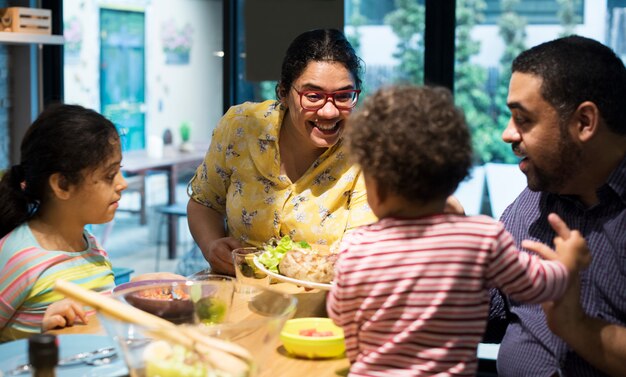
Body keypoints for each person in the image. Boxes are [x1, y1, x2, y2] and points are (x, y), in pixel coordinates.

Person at [326, 85, 591, 377]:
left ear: (374, 183)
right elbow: (536, 285)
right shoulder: (482, 238)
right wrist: (567, 265)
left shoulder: (357, 245)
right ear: (454, 177)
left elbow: (340, 314)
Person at [485, 35, 626, 376]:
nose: (507, 134)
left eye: (523, 119)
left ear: (584, 123)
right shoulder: (534, 198)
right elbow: (491, 313)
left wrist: (575, 324)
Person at [186, 29, 376, 276]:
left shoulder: (366, 153)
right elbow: (204, 202)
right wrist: (211, 245)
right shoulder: (242, 126)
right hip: (239, 293)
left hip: (320, 303)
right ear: (284, 92)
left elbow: (361, 254)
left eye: (343, 96)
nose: (329, 112)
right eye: (313, 96)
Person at [0, 104, 179, 342]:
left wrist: (133, 293)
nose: (122, 184)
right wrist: (40, 337)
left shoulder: (89, 245)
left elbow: (96, 324)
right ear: (62, 185)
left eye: (120, 170)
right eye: (109, 175)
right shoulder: (17, 257)